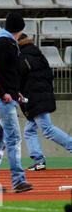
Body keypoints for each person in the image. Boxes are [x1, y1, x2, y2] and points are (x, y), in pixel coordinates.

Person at [0, 13, 33, 193]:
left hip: (4, 99)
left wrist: (13, 90)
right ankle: (18, 180)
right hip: (3, 101)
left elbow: (2, 72)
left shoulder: (2, 42)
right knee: (14, 139)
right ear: (20, 29)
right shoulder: (5, 44)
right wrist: (4, 93)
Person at [18, 33, 72, 170]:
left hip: (34, 98)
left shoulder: (22, 57)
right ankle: (38, 160)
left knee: (47, 129)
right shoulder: (38, 55)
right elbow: (48, 75)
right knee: (29, 130)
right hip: (42, 95)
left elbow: (21, 79)